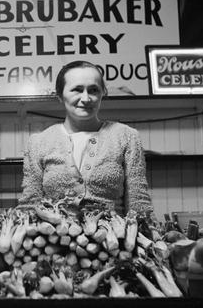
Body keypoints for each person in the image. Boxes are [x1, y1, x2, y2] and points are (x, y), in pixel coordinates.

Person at [19, 60, 154, 217]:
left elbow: (139, 202)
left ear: (103, 93)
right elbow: (30, 204)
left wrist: (149, 230)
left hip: (114, 231)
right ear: (60, 96)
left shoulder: (126, 137)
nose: (86, 98)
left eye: (93, 90)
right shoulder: (38, 143)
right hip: (54, 232)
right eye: (77, 90)